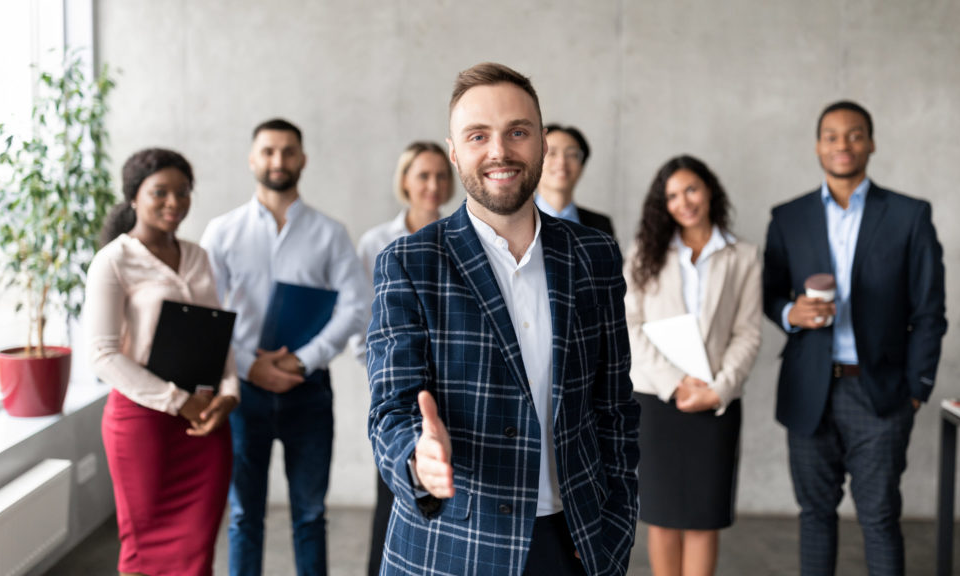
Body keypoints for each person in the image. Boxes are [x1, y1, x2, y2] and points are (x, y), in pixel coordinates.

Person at [367, 62, 640, 576]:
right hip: (452, 544)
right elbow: (390, 409)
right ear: (454, 152)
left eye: (518, 132)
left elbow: (615, 408)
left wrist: (616, 526)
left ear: (541, 141)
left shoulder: (594, 255)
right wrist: (417, 460)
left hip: (575, 543)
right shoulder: (408, 263)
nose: (499, 151)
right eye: (478, 135)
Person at [763, 101, 946, 575]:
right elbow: (768, 292)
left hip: (881, 393)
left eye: (854, 134)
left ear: (871, 142)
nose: (842, 144)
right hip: (809, 389)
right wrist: (790, 312)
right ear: (817, 145)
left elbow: (929, 312)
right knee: (815, 516)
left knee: (880, 518)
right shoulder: (789, 217)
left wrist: (916, 392)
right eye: (831, 135)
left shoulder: (909, 216)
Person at [200, 118, 369, 576]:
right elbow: (209, 308)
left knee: (311, 516)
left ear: (303, 160)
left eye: (288, 151)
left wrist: (301, 360)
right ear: (253, 159)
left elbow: (356, 306)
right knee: (242, 516)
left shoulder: (329, 232)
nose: (278, 160)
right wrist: (251, 365)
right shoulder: (222, 231)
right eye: (269, 151)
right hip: (243, 393)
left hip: (309, 392)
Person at [86, 148, 238, 576]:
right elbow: (102, 354)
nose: (175, 202)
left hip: (205, 425)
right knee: (145, 553)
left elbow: (218, 335)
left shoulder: (198, 255)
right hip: (143, 427)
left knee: (197, 551)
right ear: (134, 196)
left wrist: (229, 393)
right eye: (161, 192)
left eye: (183, 192)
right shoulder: (113, 261)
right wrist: (176, 401)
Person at [625, 155, 761, 576]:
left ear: (709, 191)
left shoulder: (745, 256)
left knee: (705, 518)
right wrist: (675, 383)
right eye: (671, 195)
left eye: (691, 189)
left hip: (715, 401)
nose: (683, 201)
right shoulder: (645, 253)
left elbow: (748, 332)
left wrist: (718, 389)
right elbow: (630, 325)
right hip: (657, 399)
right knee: (662, 518)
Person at [356, 140, 455, 576]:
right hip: (398, 385)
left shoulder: (461, 237)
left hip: (450, 387)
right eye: (422, 176)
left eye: (440, 176)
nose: (432, 185)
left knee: (444, 489)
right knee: (394, 488)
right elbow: (364, 321)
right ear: (405, 182)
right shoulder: (377, 242)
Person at [535, 124, 615, 237]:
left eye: (572, 155)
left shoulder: (601, 224)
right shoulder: (516, 220)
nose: (561, 162)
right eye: (551, 153)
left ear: (581, 166)